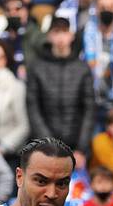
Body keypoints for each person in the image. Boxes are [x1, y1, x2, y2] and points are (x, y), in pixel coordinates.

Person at [27, 18, 95, 168]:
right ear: (49, 36)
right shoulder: (36, 67)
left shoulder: (82, 68)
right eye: (56, 32)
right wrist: (49, 145)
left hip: (76, 147)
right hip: (44, 148)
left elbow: (89, 110)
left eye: (64, 32)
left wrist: (81, 149)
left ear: (71, 36)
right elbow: (33, 108)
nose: (60, 38)